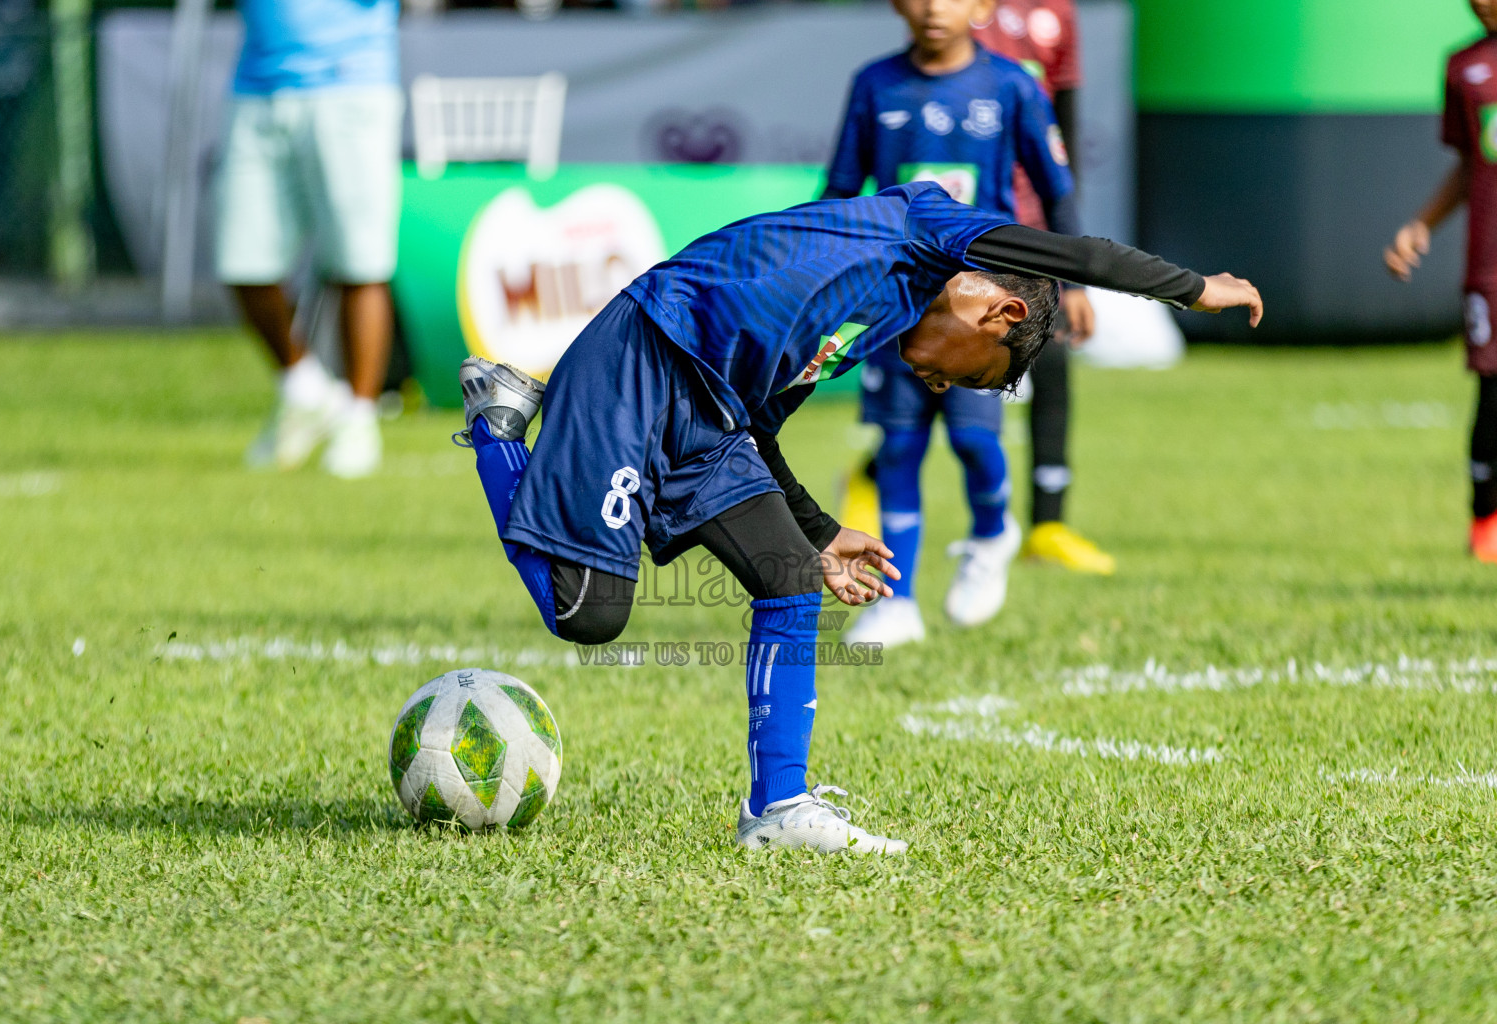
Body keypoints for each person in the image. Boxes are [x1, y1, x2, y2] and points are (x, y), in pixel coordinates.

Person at [455, 181, 1262, 853]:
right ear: (1001, 317)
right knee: (585, 614)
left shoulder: (872, 322)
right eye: (974, 379)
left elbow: (757, 428)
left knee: (790, 581)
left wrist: (819, 533)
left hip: (715, 417)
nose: (945, 388)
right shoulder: (931, 229)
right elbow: (1073, 255)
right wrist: (1193, 289)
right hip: (648, 355)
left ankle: (776, 813)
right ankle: (498, 427)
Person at [820, 0, 1096, 648]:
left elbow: (1056, 187)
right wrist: (828, 283)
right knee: (899, 447)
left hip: (979, 306)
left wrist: (1076, 282)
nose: (930, 7)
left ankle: (991, 532)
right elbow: (837, 192)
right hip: (899, 301)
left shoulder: (1011, 86)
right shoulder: (874, 84)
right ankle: (899, 601)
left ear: (981, 5)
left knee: (974, 441)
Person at [215, 0, 403, 479]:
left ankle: (360, 418)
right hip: (257, 85)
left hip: (351, 80)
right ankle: (304, 388)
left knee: (359, 264)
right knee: (242, 263)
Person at [974, 0, 1116, 576]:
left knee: (1051, 364)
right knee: (950, 377)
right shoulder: (957, 12)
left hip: (1031, 229)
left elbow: (1067, 131)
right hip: (963, 224)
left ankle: (1049, 525)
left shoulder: (1057, 13)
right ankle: (875, 478)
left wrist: (1069, 258)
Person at [1385, 0, 1497, 563]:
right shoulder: (1463, 67)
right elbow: (1469, 165)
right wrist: (1420, 225)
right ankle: (1484, 522)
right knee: (1493, 391)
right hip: (1491, 261)